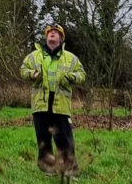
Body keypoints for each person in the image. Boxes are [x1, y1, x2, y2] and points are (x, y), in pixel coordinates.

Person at [20, 23, 86, 176]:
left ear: (61, 38)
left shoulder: (71, 58)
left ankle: (69, 171)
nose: (52, 34)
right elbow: (23, 70)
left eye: (56, 32)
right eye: (50, 32)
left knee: (64, 138)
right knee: (43, 139)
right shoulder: (33, 57)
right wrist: (32, 74)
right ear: (46, 36)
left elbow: (82, 75)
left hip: (61, 104)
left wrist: (71, 77)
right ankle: (48, 169)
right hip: (40, 104)